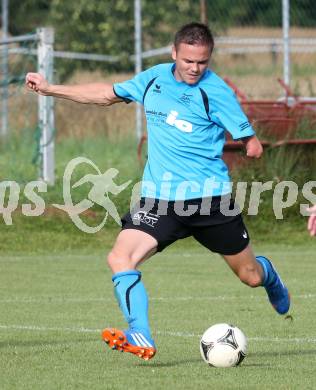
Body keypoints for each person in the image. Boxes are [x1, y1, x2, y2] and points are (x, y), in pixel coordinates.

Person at [26, 22, 290, 361]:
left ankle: (271, 278)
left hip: (209, 202)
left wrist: (241, 144)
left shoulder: (216, 91)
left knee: (250, 276)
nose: (195, 69)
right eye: (189, 61)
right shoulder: (153, 79)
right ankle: (141, 334)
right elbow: (107, 94)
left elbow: (252, 146)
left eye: (203, 62)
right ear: (174, 53)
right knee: (120, 258)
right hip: (159, 199)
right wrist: (50, 89)